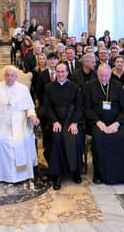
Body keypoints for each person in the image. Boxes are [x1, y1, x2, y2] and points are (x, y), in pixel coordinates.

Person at [0, 66, 40, 183]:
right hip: (1, 122)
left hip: (20, 122)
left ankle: (22, 174)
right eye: (7, 75)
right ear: (4, 76)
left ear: (16, 77)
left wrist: (32, 116)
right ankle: (0, 174)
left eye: (12, 75)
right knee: (1, 141)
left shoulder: (23, 89)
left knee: (22, 140)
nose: (9, 78)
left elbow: (29, 107)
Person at [85, 64, 124, 184]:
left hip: (116, 121)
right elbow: (87, 108)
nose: (104, 78)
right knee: (98, 138)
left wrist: (117, 123)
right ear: (97, 74)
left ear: (110, 74)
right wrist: (98, 122)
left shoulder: (118, 85)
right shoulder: (89, 86)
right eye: (101, 75)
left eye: (106, 75)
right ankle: (100, 175)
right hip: (97, 122)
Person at [41, 62, 83, 190]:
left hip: (71, 121)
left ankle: (75, 171)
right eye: (58, 72)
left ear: (67, 72)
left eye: (62, 72)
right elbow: (47, 107)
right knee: (57, 139)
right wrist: (54, 121)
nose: (60, 74)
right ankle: (57, 174)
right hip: (55, 121)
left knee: (74, 137)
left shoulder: (75, 87)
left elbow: (79, 107)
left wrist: (74, 122)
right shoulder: (49, 87)